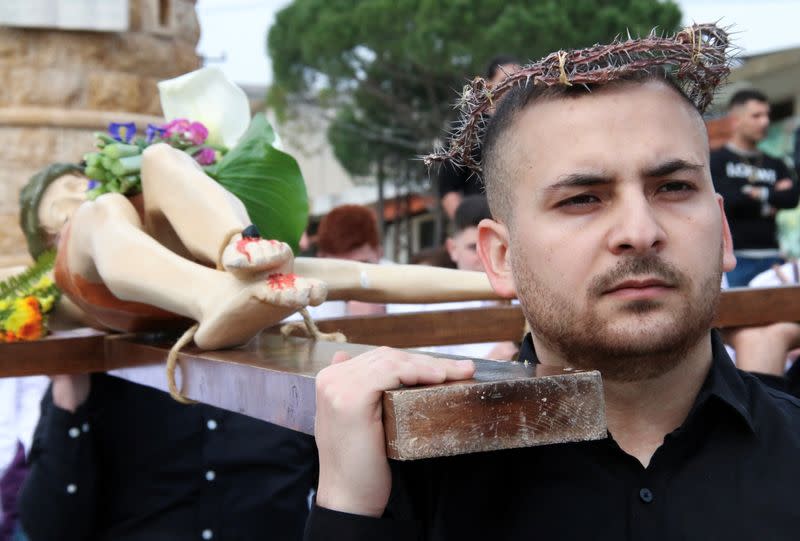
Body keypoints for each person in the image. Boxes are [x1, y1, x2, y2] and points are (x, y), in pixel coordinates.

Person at [305, 25, 800, 540]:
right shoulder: (410, 485)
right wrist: (347, 515)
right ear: (499, 256)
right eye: (582, 199)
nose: (641, 232)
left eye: (673, 187)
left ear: (722, 231)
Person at [389, 195, 518, 360]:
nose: (486, 256)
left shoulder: (522, 300)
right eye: (473, 248)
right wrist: (489, 363)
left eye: (496, 247)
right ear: (452, 249)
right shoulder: (429, 306)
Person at [710, 89, 799, 286]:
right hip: (736, 261)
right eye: (756, 115)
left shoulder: (775, 162)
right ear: (735, 120)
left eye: (767, 115)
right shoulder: (717, 160)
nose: (765, 121)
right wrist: (773, 195)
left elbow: (792, 198)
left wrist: (755, 192)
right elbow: (728, 200)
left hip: (774, 258)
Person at [438, 56, 521, 219]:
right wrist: (468, 226)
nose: (513, 86)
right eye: (506, 80)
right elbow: (448, 190)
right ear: (488, 85)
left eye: (519, 81)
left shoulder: (531, 125)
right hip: (483, 221)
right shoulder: (465, 128)